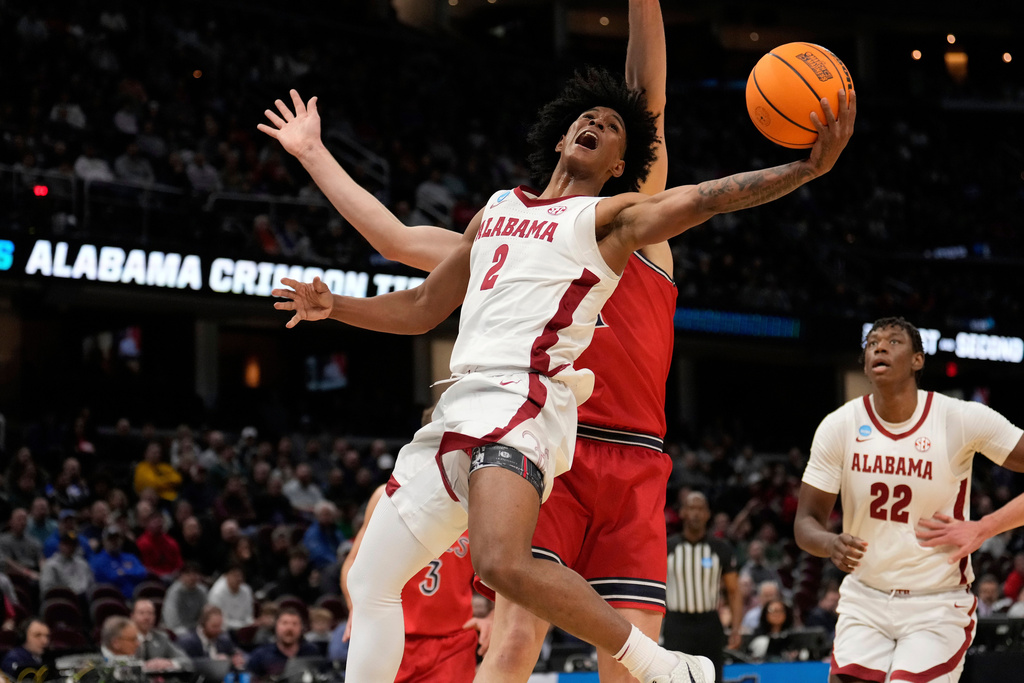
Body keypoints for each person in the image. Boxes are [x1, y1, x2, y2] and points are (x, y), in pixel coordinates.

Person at [262, 22, 853, 683]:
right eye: (586, 117)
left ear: (627, 166)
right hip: (513, 430)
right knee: (457, 612)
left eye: (614, 127)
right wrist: (313, 156)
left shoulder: (619, 224)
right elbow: (407, 262)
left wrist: (801, 170)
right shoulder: (496, 217)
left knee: (548, 606)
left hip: (584, 433)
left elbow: (683, 164)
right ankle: (660, 662)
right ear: (559, 134)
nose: (596, 123)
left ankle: (659, 663)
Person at [794, 316, 1024, 683]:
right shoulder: (839, 426)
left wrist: (986, 526)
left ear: (918, 359)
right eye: (872, 343)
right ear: (865, 362)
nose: (880, 347)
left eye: (893, 341)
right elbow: (806, 521)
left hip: (936, 602)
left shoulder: (959, 418)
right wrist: (829, 542)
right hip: (865, 598)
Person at [340, 484, 489, 683]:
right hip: (389, 632)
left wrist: (494, 617)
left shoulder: (481, 502)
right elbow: (353, 562)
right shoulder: (388, 495)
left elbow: (506, 566)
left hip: (452, 642)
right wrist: (356, 606)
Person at [663, 492, 743, 683]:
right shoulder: (668, 547)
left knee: (712, 677)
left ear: (708, 514)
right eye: (691, 508)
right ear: (682, 512)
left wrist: (736, 628)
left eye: (700, 509)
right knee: (674, 678)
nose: (696, 514)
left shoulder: (720, 548)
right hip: (676, 624)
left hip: (709, 624)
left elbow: (733, 590)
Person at [245, 607, 319, 679]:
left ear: (301, 628)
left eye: (295, 624)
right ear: (276, 626)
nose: (289, 628)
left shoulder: (312, 652)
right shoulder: (260, 655)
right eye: (284, 623)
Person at [177, 605, 247, 670]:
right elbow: (186, 663)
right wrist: (213, 661)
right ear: (203, 624)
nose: (218, 630)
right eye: (214, 626)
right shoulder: (187, 642)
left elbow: (243, 654)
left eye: (220, 626)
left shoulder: (223, 639)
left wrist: (237, 658)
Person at [89, 525, 148, 600]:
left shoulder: (130, 557)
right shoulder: (97, 560)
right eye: (111, 539)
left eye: (117, 539)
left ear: (121, 541)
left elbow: (142, 572)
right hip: (111, 600)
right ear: (104, 541)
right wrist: (131, 572)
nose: (114, 542)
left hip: (134, 598)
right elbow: (112, 577)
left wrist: (124, 572)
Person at [130, 599, 190, 671]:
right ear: (132, 616)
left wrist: (169, 663)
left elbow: (187, 661)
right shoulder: (125, 638)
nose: (147, 617)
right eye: (142, 613)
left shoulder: (161, 637)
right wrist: (145, 665)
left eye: (150, 613)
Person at [39, 532, 94, 598]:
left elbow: (91, 585)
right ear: (60, 545)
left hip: (83, 601)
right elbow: (46, 591)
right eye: (66, 544)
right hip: (62, 601)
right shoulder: (51, 565)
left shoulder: (82, 563)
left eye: (72, 544)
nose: (70, 547)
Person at [162, 561, 209, 635]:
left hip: (196, 629)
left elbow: (207, 615)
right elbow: (171, 621)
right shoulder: (174, 592)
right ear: (181, 576)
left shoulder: (202, 591)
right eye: (188, 574)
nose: (192, 577)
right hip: (178, 629)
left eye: (195, 574)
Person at [0, 508, 44, 582]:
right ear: (11, 522)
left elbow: (41, 559)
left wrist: (44, 573)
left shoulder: (34, 541)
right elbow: (6, 562)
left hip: (34, 574)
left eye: (24, 519)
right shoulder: (2, 540)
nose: (22, 522)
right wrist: (27, 573)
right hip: (13, 576)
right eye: (19, 519)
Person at [207, 563, 255, 630]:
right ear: (226, 576)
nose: (238, 579)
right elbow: (218, 621)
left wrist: (249, 624)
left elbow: (249, 616)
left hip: (244, 629)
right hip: (223, 629)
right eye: (235, 575)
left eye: (240, 576)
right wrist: (242, 625)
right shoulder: (217, 593)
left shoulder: (247, 590)